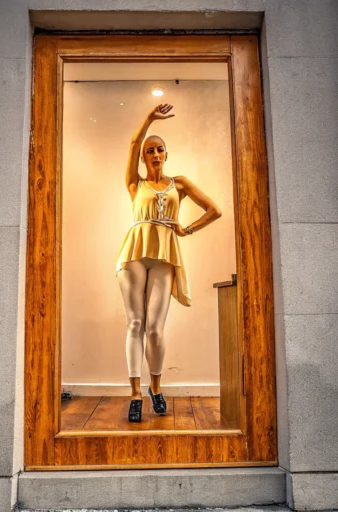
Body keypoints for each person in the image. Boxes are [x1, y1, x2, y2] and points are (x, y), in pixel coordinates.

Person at [116, 103, 221, 423]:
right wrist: (149, 118)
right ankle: (135, 394)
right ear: (143, 157)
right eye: (150, 150)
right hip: (134, 254)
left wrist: (187, 229)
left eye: (160, 149)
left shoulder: (180, 183)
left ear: (166, 154)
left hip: (165, 257)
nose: (155, 154)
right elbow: (133, 142)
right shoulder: (135, 184)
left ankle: (156, 389)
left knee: (155, 329)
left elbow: (214, 210)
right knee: (135, 324)